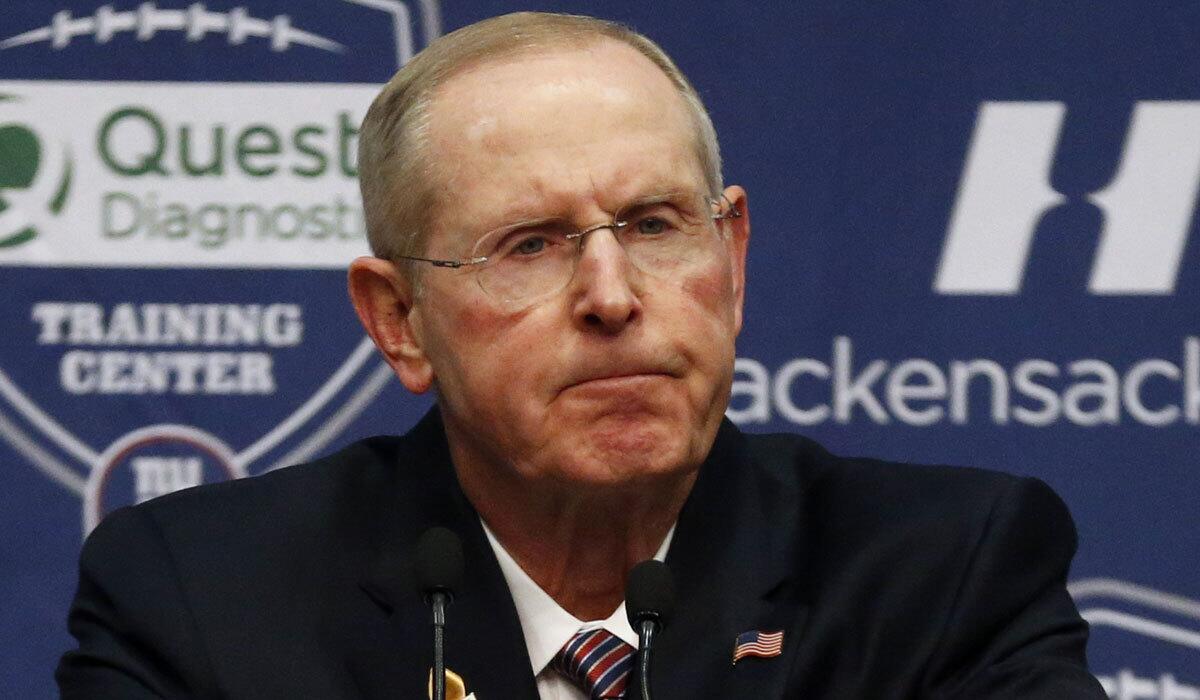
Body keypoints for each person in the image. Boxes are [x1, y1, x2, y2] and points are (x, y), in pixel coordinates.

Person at [57, 11, 1106, 699]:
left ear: (730, 261)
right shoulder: (201, 600)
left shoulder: (945, 574)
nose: (612, 297)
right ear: (399, 318)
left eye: (654, 225)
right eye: (530, 245)